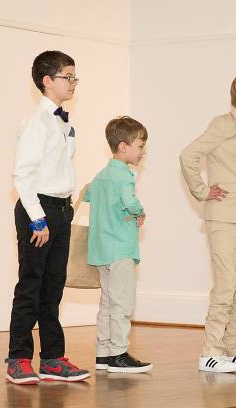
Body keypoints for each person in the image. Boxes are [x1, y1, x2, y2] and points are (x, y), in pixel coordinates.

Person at [180, 69, 236, 373]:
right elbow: (189, 155)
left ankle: (235, 348)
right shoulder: (222, 124)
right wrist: (203, 191)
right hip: (223, 216)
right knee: (226, 284)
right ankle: (211, 351)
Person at [7, 50, 89, 384]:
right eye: (67, 76)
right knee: (31, 285)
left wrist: (61, 211)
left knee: (53, 287)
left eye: (74, 77)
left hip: (60, 209)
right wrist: (37, 219)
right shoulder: (37, 121)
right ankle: (18, 359)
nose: (73, 83)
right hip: (37, 210)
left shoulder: (61, 119)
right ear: (47, 81)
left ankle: (53, 358)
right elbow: (22, 174)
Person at [84, 116, 153, 374]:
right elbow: (130, 201)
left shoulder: (101, 176)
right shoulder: (125, 176)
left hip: (100, 250)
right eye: (139, 145)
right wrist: (140, 211)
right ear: (123, 147)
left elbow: (89, 195)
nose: (142, 151)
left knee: (106, 303)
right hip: (120, 249)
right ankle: (119, 353)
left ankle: (103, 353)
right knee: (122, 303)